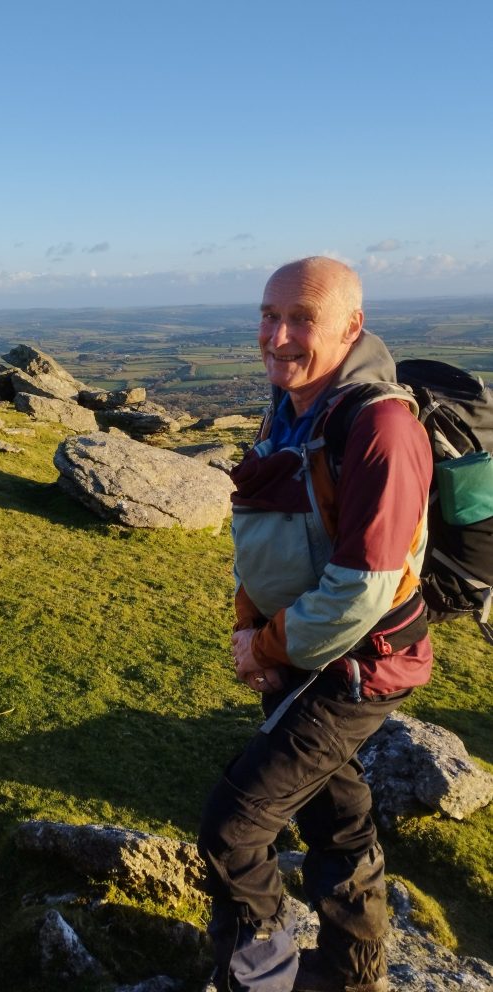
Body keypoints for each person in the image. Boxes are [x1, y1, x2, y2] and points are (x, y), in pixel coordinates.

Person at [197, 257, 434, 992]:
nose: (277, 336)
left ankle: (259, 981)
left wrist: (264, 645)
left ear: (350, 326)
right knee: (337, 822)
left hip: (353, 669)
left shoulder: (381, 429)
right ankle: (354, 974)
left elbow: (360, 589)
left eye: (300, 318)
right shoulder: (293, 401)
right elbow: (269, 525)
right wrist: (252, 626)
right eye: (268, 316)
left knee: (232, 830)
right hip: (301, 653)